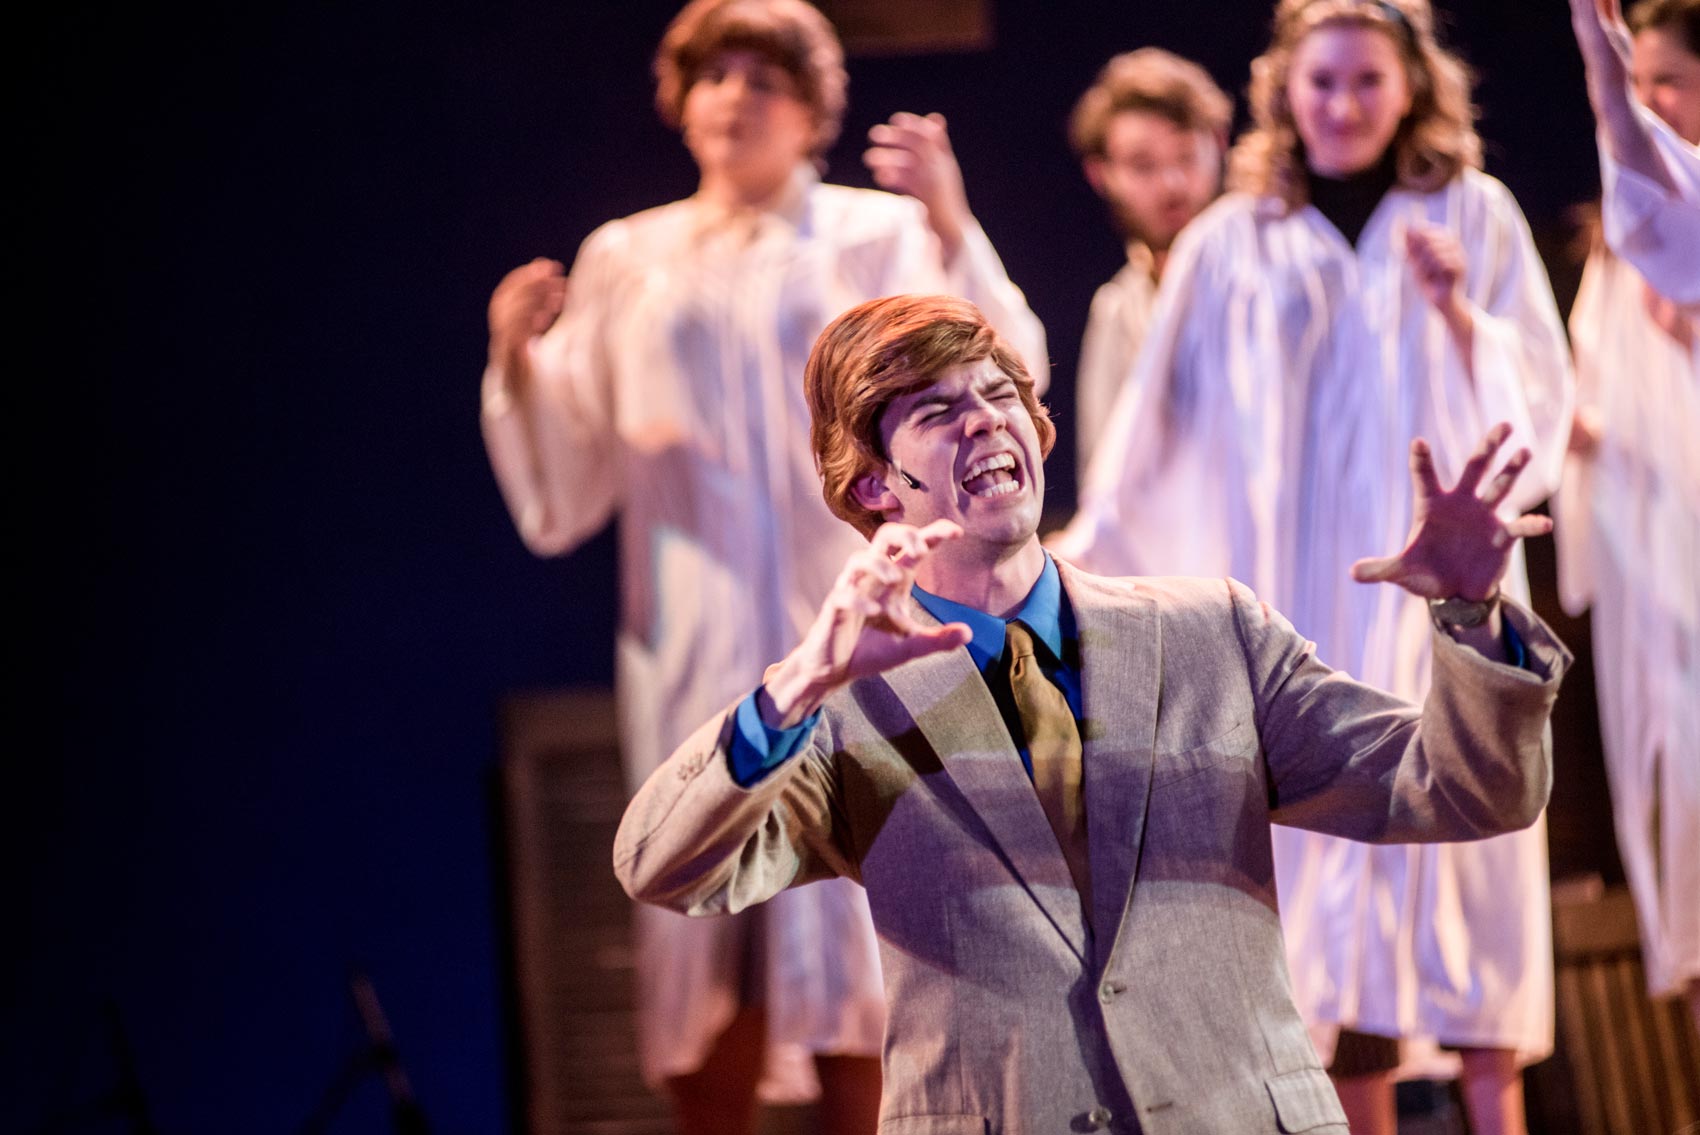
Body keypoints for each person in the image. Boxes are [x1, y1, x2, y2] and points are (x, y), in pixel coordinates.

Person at [613, 293, 1570, 1134]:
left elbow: (1460, 792)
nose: (985, 423)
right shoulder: (838, 702)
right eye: (940, 411)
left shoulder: (1212, 632)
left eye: (999, 397)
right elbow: (664, 866)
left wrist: (1470, 619)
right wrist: (790, 689)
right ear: (872, 484)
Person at [479, 1, 1047, 1130]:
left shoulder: (872, 235)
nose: (736, 95)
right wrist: (517, 362)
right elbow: (569, 484)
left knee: (861, 925)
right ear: (681, 101)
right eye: (713, 75)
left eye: (764, 75)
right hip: (692, 625)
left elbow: (1003, 383)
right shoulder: (627, 257)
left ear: (811, 107)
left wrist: (951, 227)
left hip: (855, 609)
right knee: (705, 917)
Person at [1053, 2, 1574, 1132]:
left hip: (1440, 593)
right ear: (1283, 88)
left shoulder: (1467, 213)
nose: (1339, 106)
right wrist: (1072, 573)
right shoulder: (1230, 240)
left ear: (1409, 88)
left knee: (1471, 878)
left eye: (1364, 82)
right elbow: (1151, 439)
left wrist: (1458, 316)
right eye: (1320, 81)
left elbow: (1539, 402)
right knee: (1321, 917)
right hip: (1300, 602)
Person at [1558, 0, 1699, 1029]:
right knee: (1678, 801)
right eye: (1634, 80)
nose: (1650, 102)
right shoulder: (1613, 245)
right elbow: (1588, 396)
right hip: (1655, 558)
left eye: (1667, 81)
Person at [1068, 48, 1232, 471]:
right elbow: (1104, 477)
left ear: (1219, 144)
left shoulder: (1271, 277)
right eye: (1143, 165)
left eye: (1186, 156)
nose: (1172, 184)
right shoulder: (1118, 309)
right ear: (1100, 175)